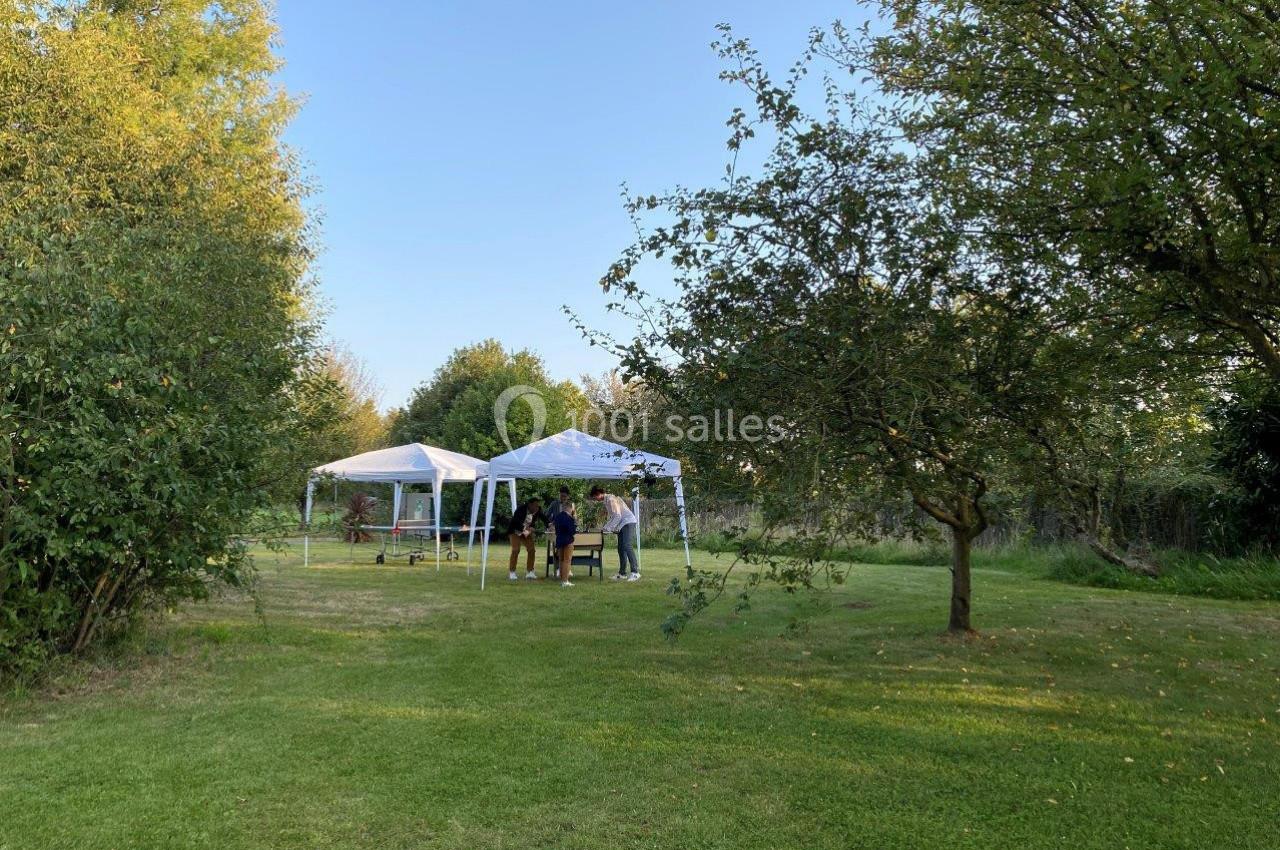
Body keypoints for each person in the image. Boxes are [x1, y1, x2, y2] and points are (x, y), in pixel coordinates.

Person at [590, 486, 640, 581]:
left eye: (594, 497)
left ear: (598, 494)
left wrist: (608, 529)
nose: (595, 499)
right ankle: (622, 573)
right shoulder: (606, 500)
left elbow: (617, 515)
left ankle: (635, 572)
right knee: (621, 548)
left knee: (626, 545)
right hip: (621, 524)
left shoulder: (610, 499)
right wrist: (605, 528)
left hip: (628, 522)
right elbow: (613, 517)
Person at [506, 497, 547, 581]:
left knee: (531, 549)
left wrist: (549, 524)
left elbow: (543, 517)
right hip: (515, 531)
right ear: (530, 505)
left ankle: (530, 572)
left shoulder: (537, 510)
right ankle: (512, 572)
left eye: (538, 506)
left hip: (526, 532)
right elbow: (515, 522)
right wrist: (526, 528)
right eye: (535, 506)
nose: (537, 508)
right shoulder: (521, 509)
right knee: (515, 550)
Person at [552, 502, 578, 587]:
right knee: (567, 560)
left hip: (559, 540)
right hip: (568, 541)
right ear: (570, 508)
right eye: (573, 508)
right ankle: (565, 581)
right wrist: (574, 519)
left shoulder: (558, 517)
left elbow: (556, 529)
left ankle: (562, 579)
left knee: (561, 560)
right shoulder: (569, 518)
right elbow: (572, 531)